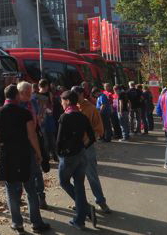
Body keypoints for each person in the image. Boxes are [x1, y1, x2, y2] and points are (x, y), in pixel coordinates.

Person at [0, 85, 51, 234]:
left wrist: (2, 138)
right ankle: (36, 223)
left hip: (7, 153)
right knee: (30, 189)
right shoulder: (24, 113)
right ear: (17, 96)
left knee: (11, 190)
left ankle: (17, 223)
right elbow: (32, 135)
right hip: (24, 152)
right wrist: (39, 153)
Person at [57, 90, 97, 230]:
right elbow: (92, 137)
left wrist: (59, 153)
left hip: (68, 157)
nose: (61, 103)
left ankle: (85, 209)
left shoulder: (65, 117)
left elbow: (59, 139)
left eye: (62, 100)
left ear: (67, 101)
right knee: (79, 185)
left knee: (63, 181)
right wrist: (83, 147)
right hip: (81, 154)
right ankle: (80, 219)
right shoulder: (82, 116)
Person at [71, 86, 111, 214]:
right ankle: (79, 202)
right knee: (76, 177)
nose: (73, 97)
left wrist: (88, 140)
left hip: (87, 148)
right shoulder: (71, 108)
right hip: (74, 148)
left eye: (75, 94)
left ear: (82, 94)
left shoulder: (91, 109)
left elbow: (99, 129)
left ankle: (101, 201)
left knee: (91, 175)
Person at [18, 81, 48, 210]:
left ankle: (41, 198)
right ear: (22, 93)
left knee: (36, 171)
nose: (31, 94)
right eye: (29, 92)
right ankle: (19, 197)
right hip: (22, 141)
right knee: (24, 171)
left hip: (34, 136)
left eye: (30, 92)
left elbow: (37, 118)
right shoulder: (16, 105)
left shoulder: (33, 102)